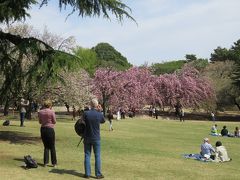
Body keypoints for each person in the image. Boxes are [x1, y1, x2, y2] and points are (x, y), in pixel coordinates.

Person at [83, 98, 105, 179]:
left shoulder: (85, 113)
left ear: (90, 105)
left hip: (87, 137)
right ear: (97, 105)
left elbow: (81, 123)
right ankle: (98, 174)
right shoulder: (98, 114)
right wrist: (100, 111)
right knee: (97, 156)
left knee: (87, 155)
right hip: (96, 137)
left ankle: (87, 174)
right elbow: (103, 121)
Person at [38, 100, 57, 167]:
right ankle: (54, 163)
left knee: (46, 146)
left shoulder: (40, 112)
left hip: (43, 129)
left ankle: (45, 162)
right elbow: (54, 121)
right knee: (52, 146)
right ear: (50, 105)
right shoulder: (52, 112)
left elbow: (40, 122)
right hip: (50, 129)